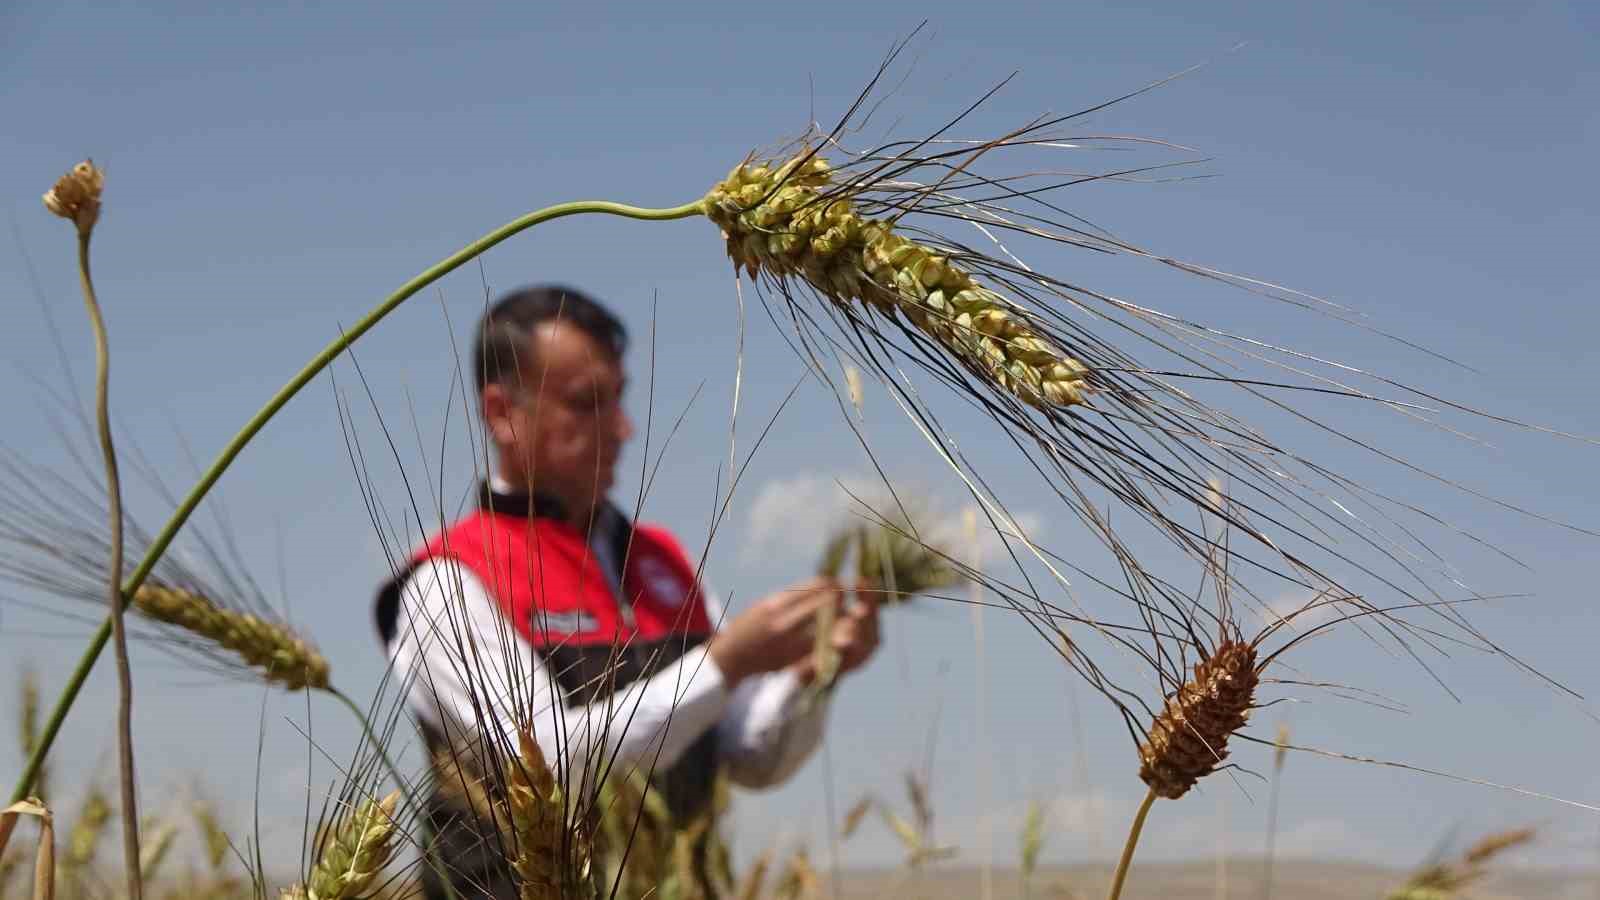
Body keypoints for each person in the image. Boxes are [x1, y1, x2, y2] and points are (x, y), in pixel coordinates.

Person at [373, 284, 881, 899]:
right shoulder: (448, 580)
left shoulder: (664, 560)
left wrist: (812, 673)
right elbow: (552, 767)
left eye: (618, 399)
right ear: (501, 412)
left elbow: (751, 756)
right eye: (585, 404)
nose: (621, 429)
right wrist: (728, 661)